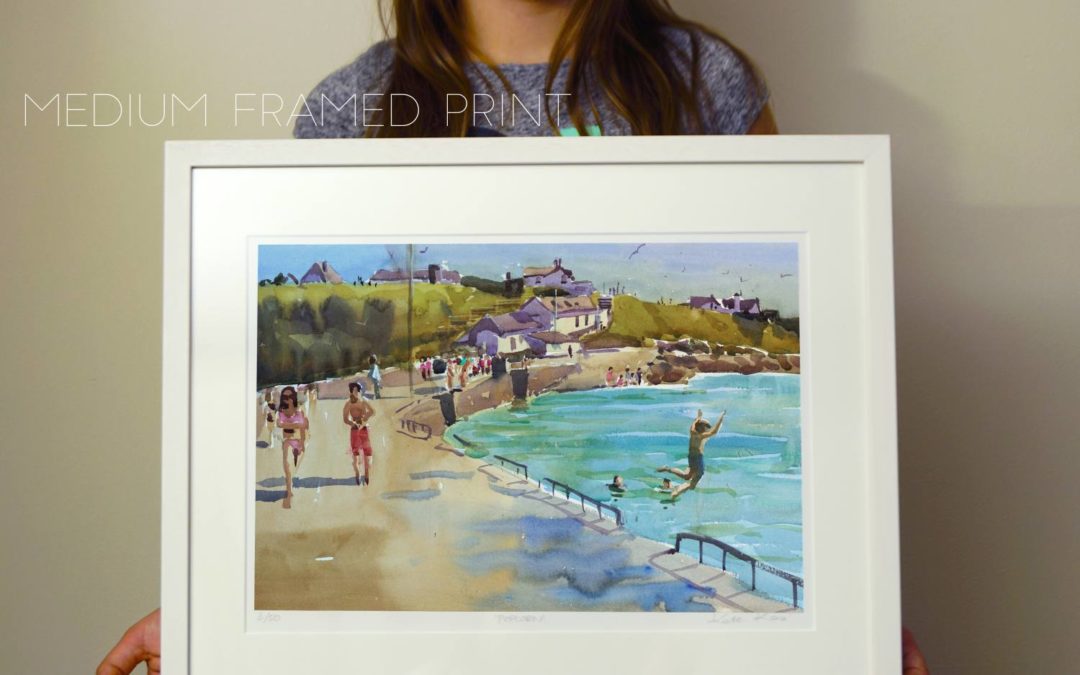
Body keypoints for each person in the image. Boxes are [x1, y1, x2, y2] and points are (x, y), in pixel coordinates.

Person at [107, 3, 925, 671]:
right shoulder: (353, 108)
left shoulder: (703, 84)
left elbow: (825, 385)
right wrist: (215, 616)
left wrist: (845, 618)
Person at [657, 409, 724, 499]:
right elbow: (714, 432)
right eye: (705, 427)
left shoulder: (692, 432)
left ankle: (668, 469)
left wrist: (698, 417)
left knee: (687, 476)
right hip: (698, 459)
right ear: (701, 428)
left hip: (691, 457)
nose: (706, 429)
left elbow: (694, 426)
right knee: (692, 484)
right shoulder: (700, 436)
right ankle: (676, 492)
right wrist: (720, 419)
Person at [277, 386, 308, 503]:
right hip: (287, 442)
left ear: (294, 397)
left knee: (293, 468)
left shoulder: (299, 411)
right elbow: (279, 424)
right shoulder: (281, 412)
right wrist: (296, 425)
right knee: (287, 467)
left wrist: (303, 443)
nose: (288, 398)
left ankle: (290, 486)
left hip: (298, 442)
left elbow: (303, 428)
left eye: (290, 396)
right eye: (285, 396)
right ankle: (289, 491)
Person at [343, 381, 376, 485]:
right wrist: (354, 423)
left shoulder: (361, 402)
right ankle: (359, 474)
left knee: (365, 452)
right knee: (358, 453)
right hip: (357, 429)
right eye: (354, 391)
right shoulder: (351, 403)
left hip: (361, 428)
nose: (356, 393)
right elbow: (345, 419)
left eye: (357, 391)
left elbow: (372, 411)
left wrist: (363, 419)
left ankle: (364, 474)